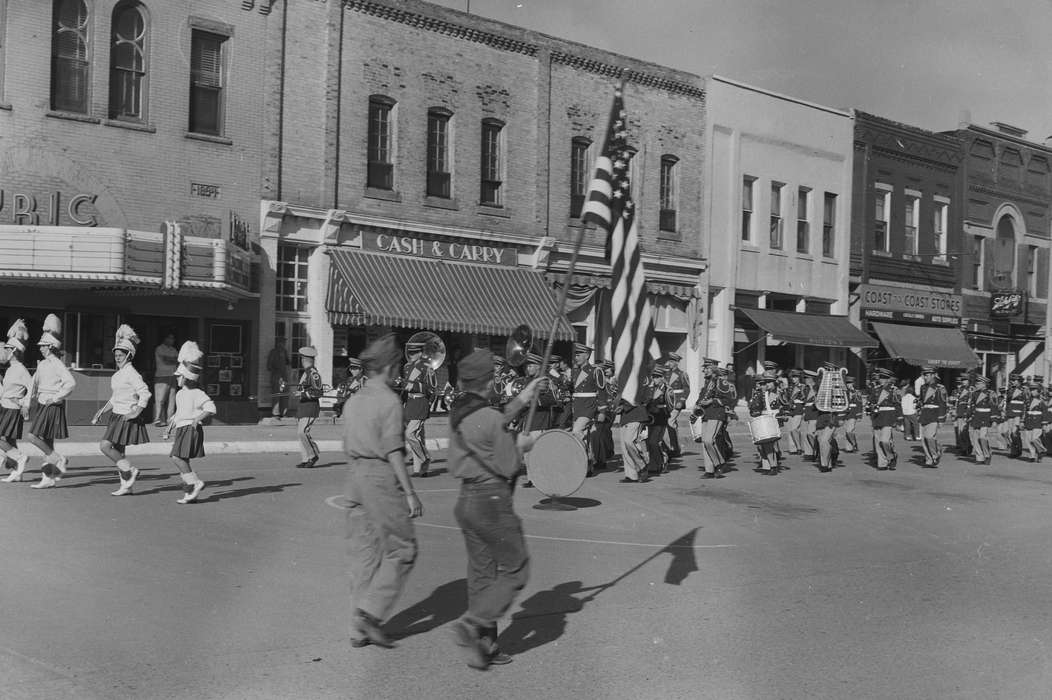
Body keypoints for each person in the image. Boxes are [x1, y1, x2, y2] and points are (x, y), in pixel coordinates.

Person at [447, 348, 542, 670]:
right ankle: (473, 624)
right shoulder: (488, 417)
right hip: (492, 502)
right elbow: (508, 463)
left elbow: (490, 423)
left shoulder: (459, 410)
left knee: (482, 574)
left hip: (467, 501)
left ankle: (485, 646)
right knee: (517, 569)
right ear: (489, 383)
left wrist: (523, 399)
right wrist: (522, 446)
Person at [342, 334, 422, 650]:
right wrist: (410, 491)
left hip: (354, 476)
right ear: (390, 367)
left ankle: (356, 629)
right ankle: (370, 614)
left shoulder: (354, 400)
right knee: (403, 548)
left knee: (364, 554)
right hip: (378, 476)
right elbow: (393, 450)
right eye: (398, 365)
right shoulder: (388, 401)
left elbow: (348, 445)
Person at [91, 325, 151, 496]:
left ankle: (131, 470)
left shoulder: (132, 373)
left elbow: (145, 393)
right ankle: (127, 486)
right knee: (119, 452)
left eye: (121, 355)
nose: (117, 358)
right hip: (115, 415)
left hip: (126, 417)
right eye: (116, 355)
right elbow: (115, 397)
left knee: (105, 446)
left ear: (129, 356)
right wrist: (102, 411)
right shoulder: (117, 374)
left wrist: (137, 412)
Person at [161, 342, 215, 504]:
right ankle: (191, 493)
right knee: (183, 459)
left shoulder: (197, 393)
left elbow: (210, 408)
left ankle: (195, 483)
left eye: (179, 375)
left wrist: (197, 420)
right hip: (182, 428)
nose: (177, 377)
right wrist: (169, 429)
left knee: (177, 458)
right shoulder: (180, 394)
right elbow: (178, 414)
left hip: (191, 429)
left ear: (186, 377)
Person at [26, 314, 75, 489]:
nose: (40, 348)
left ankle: (58, 459)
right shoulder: (42, 364)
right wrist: (27, 403)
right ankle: (49, 477)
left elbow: (70, 383)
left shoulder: (57, 364)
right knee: (47, 442)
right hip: (42, 403)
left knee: (32, 436)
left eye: (43, 346)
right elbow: (33, 383)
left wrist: (56, 397)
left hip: (51, 404)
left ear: (50, 347)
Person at [0, 320, 32, 482]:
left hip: (13, 409)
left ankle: (20, 457)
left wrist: (24, 404)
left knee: (1, 439)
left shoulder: (20, 369)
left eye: (6, 349)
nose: (3, 352)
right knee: (9, 440)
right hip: (6, 407)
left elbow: (32, 387)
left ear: (12, 351)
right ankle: (16, 472)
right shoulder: (11, 368)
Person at [402, 341, 437, 477]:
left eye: (414, 352)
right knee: (418, 437)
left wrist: (415, 387)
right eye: (410, 352)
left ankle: (426, 457)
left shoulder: (427, 367)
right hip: (410, 402)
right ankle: (421, 470)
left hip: (421, 402)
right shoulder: (406, 367)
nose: (411, 355)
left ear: (421, 353)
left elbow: (433, 389)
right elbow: (406, 387)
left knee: (410, 434)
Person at [569, 343, 604, 475]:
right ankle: (588, 464)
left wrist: (602, 411)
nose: (576, 357)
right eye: (575, 355)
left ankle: (582, 461)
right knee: (585, 438)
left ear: (587, 355)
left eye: (579, 355)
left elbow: (602, 392)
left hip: (589, 407)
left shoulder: (595, 371)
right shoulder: (575, 371)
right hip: (577, 407)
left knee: (576, 432)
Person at [292, 346, 325, 468]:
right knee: (300, 433)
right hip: (303, 407)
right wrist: (300, 393)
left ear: (305, 359)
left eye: (302, 359)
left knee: (303, 432)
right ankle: (306, 459)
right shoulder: (306, 373)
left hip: (310, 407)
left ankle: (313, 455)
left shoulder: (313, 374)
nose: (301, 361)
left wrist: (302, 393)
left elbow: (318, 392)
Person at [748, 369, 784, 474]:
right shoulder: (762, 394)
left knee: (768, 444)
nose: (767, 384)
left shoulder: (779, 393)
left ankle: (773, 466)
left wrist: (782, 413)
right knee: (762, 445)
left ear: (774, 383)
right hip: (763, 419)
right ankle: (767, 466)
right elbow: (755, 407)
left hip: (773, 419)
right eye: (765, 382)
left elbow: (786, 405)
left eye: (769, 382)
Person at [869, 367, 901, 470]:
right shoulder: (875, 389)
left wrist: (899, 419)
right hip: (877, 416)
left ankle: (891, 456)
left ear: (888, 379)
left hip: (888, 416)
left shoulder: (894, 390)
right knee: (878, 441)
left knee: (885, 440)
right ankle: (882, 463)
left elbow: (898, 405)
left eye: (884, 378)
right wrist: (870, 409)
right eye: (880, 377)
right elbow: (871, 403)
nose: (881, 379)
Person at [814, 362, 843, 473]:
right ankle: (829, 463)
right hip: (821, 416)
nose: (828, 374)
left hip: (831, 417)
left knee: (824, 440)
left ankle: (824, 464)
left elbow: (844, 402)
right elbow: (816, 402)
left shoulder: (838, 386)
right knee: (823, 440)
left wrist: (841, 416)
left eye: (830, 371)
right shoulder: (820, 385)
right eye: (826, 371)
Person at [645, 367, 671, 475]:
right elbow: (647, 402)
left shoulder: (667, 389)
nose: (654, 379)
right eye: (653, 377)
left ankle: (662, 462)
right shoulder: (650, 388)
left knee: (654, 441)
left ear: (662, 378)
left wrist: (655, 401)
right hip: (650, 417)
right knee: (649, 442)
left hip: (661, 417)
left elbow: (670, 405)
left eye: (657, 377)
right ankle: (653, 465)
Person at [664, 352, 690, 458]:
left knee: (670, 422)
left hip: (676, 401)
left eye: (671, 361)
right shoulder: (665, 373)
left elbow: (687, 389)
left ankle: (674, 448)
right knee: (669, 424)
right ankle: (671, 447)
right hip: (666, 401)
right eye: (669, 361)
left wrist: (681, 401)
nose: (669, 363)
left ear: (676, 363)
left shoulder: (682, 374)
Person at [153, 331, 178, 427]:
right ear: (165, 339)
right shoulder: (159, 349)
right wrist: (173, 360)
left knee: (172, 399)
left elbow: (178, 361)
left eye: (173, 338)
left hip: (173, 375)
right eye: (170, 338)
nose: (172, 340)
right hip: (161, 376)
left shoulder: (174, 350)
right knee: (160, 399)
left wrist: (172, 360)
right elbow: (166, 360)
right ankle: (158, 419)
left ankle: (170, 420)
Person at [968, 376, 996, 464]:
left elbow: (994, 407)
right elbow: (972, 406)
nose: (976, 385)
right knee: (975, 438)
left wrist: (994, 419)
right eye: (976, 383)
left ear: (984, 384)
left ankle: (987, 454)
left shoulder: (990, 393)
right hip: (976, 417)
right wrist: (969, 415)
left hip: (986, 417)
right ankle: (979, 458)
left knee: (983, 437)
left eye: (978, 383)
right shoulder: (974, 393)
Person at [1002, 373, 1026, 458]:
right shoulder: (1009, 390)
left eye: (1014, 380)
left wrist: (1023, 419)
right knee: (1008, 433)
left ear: (1019, 381)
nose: (1012, 382)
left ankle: (1017, 450)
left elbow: (1026, 404)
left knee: (1014, 433)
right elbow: (1007, 402)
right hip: (1010, 413)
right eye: (1011, 380)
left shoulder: (1024, 390)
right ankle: (1014, 451)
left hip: (1018, 414)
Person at [1023, 381, 1047, 462]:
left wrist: (1044, 424)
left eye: (1034, 390)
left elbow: (1045, 413)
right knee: (1028, 440)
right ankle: (1032, 455)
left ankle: (1042, 450)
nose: (1032, 391)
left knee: (1034, 439)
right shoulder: (1028, 401)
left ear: (1039, 391)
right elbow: (1025, 412)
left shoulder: (1042, 401)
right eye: (1031, 390)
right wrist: (1022, 422)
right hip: (1028, 423)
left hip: (1037, 423)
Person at [267, 337, 290, 419]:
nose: (283, 344)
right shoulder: (273, 352)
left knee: (285, 393)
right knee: (276, 394)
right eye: (282, 342)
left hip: (284, 377)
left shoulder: (284, 352)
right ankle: (275, 413)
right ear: (278, 343)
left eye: (284, 343)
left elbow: (288, 362)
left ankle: (284, 412)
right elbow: (269, 366)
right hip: (276, 376)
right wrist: (276, 371)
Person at [785, 370, 806, 454]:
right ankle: (792, 449)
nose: (794, 379)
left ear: (799, 378)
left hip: (799, 408)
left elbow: (805, 398)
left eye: (796, 377)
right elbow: (787, 398)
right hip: (791, 409)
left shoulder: (803, 387)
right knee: (790, 429)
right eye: (793, 377)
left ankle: (799, 447)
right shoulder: (789, 387)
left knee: (795, 428)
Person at [840, 375, 863, 453]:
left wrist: (859, 415)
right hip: (845, 413)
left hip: (853, 413)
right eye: (847, 383)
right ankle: (849, 448)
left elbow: (859, 404)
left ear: (853, 383)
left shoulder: (857, 392)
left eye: (850, 383)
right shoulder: (843, 392)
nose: (848, 384)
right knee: (847, 430)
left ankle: (854, 443)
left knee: (849, 431)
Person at [953, 375, 974, 456]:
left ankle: (967, 447)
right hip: (959, 412)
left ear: (969, 381)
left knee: (964, 431)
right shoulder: (960, 390)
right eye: (963, 380)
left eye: (965, 380)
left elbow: (971, 402)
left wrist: (969, 413)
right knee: (959, 432)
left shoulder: (971, 389)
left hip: (966, 413)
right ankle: (964, 447)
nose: (963, 382)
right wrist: (955, 410)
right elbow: (957, 402)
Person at [801, 370, 819, 459]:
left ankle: (816, 450)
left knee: (810, 433)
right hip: (807, 413)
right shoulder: (805, 388)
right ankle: (809, 453)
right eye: (805, 378)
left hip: (814, 413)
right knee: (805, 434)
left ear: (812, 378)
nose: (805, 380)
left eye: (807, 378)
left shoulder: (817, 387)